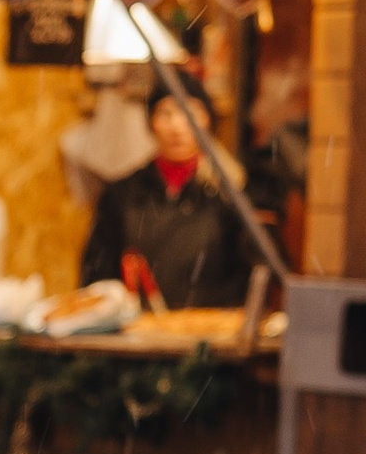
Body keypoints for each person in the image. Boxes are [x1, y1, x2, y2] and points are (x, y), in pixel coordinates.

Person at [79, 75, 259, 310]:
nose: (177, 126)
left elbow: (247, 279)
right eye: (166, 113)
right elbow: (96, 276)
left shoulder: (229, 195)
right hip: (136, 328)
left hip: (208, 327)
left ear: (207, 121)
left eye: (190, 113)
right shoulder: (121, 194)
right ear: (151, 122)